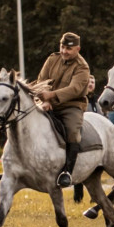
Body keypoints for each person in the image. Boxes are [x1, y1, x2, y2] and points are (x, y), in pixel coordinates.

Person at [35, 32, 90, 188]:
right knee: (24, 120)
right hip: (46, 102)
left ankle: (67, 171)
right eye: (63, 47)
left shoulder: (82, 67)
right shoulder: (52, 58)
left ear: (78, 49)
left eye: (69, 49)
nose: (64, 51)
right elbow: (42, 80)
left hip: (71, 106)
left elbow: (75, 89)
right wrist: (44, 100)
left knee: (72, 131)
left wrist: (51, 96)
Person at [74, 74, 103, 203]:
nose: (91, 84)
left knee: (96, 168)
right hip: (83, 134)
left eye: (93, 81)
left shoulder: (98, 101)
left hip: (97, 136)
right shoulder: (80, 99)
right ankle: (78, 197)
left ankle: (94, 197)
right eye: (89, 82)